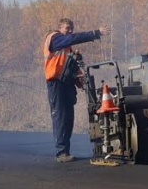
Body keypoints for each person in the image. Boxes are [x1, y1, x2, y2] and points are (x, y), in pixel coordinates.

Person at [43, 18, 109, 162]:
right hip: (56, 83)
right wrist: (95, 33)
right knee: (60, 116)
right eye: (67, 28)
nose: (70, 31)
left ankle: (66, 151)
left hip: (66, 84)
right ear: (59, 27)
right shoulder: (54, 38)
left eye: (71, 28)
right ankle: (61, 152)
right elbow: (73, 38)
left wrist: (81, 81)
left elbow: (70, 68)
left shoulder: (67, 48)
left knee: (68, 118)